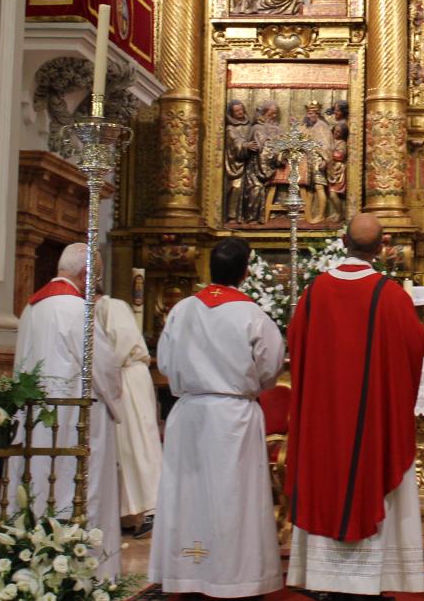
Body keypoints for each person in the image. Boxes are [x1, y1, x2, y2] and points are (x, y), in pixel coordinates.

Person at [286, 214, 424, 598]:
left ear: (342, 241)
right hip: (372, 425)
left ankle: (323, 578)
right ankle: (371, 580)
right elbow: (415, 347)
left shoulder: (315, 292)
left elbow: (295, 346)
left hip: (325, 420)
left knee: (325, 477)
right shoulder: (392, 295)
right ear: (382, 247)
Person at [149, 237, 286, 598]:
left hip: (190, 413)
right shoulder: (252, 314)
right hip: (234, 416)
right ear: (244, 272)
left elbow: (164, 361)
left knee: (188, 494)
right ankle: (233, 576)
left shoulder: (181, 310)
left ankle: (186, 573)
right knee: (233, 498)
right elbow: (271, 366)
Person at [7, 243, 124, 578]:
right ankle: (88, 573)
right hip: (75, 417)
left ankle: (34, 569)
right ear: (86, 274)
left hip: (36, 418)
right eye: (96, 279)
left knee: (39, 487)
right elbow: (105, 366)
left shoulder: (32, 308)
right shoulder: (76, 309)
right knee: (79, 491)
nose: (95, 287)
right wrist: (117, 402)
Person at [96, 295, 163, 537]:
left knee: (139, 441)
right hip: (118, 377)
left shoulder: (111, 305)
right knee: (123, 446)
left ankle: (153, 508)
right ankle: (128, 512)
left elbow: (119, 344)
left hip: (127, 377)